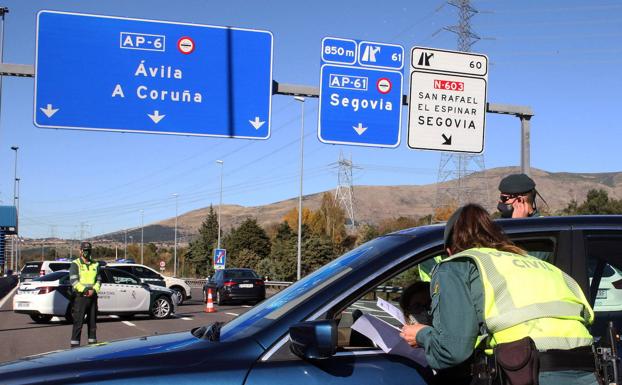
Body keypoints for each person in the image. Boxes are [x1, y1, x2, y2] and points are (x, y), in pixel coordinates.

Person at [400, 204, 598, 385]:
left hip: (528, 371)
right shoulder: (540, 265)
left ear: (450, 250)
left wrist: (422, 335)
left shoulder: (457, 265)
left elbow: (453, 351)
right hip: (586, 370)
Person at [69, 241, 101, 348]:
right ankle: (74, 348)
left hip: (93, 298)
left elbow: (99, 280)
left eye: (89, 250)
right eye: (85, 250)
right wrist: (85, 290)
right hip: (81, 297)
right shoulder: (75, 264)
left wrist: (94, 290)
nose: (87, 252)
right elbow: (74, 281)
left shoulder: (96, 264)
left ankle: (93, 347)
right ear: (80, 251)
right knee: (78, 324)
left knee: (92, 324)